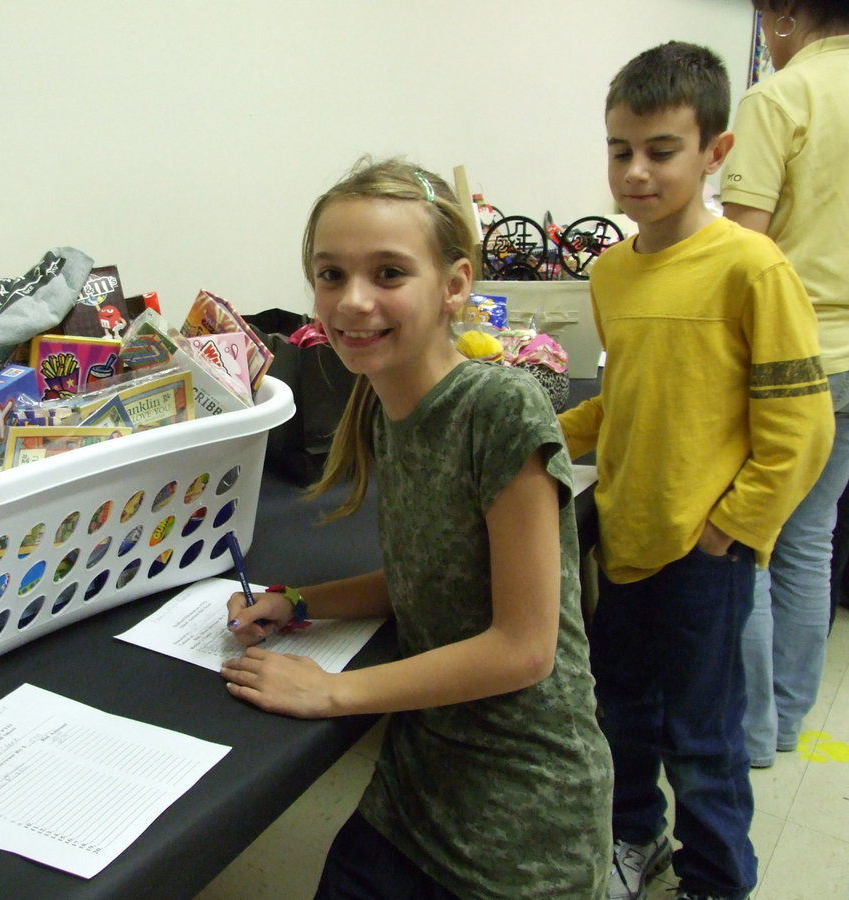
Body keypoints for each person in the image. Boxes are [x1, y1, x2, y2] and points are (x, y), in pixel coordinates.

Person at [220, 157, 613, 899]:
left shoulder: (499, 410)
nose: (352, 301)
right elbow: (426, 574)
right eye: (330, 274)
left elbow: (524, 650)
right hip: (419, 780)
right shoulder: (384, 403)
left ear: (456, 285)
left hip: (523, 815)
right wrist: (301, 602)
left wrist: (329, 694)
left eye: (389, 273)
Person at [557, 42, 833, 900]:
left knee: (705, 739)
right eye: (619, 150)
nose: (635, 172)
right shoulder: (610, 271)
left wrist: (729, 531)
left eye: (661, 150)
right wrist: (534, 433)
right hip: (626, 538)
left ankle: (718, 878)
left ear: (716, 153)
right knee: (621, 715)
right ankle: (637, 839)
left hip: (702, 556)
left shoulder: (753, 268)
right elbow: (624, 401)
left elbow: (799, 426)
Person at [720, 0, 849, 770]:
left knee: (751, 543)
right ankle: (788, 720)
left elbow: (741, 255)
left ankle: (752, 733)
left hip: (797, 357)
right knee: (812, 538)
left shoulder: (780, 97)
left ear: (791, 13)